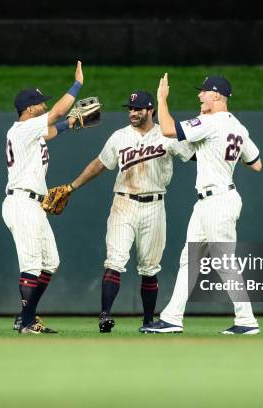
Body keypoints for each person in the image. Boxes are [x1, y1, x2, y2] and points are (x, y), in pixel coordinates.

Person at [66, 90, 195, 333]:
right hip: (123, 203)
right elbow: (99, 164)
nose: (133, 113)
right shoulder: (119, 137)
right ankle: (105, 316)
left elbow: (196, 155)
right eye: (131, 109)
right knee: (114, 259)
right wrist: (72, 186)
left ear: (151, 111)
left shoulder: (167, 135)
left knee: (150, 266)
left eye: (138, 109)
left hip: (155, 204)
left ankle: (148, 321)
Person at [145, 74, 263, 335]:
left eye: (204, 92)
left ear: (217, 95)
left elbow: (167, 129)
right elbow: (256, 164)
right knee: (189, 260)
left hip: (218, 201)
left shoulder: (211, 122)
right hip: (211, 200)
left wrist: (161, 100)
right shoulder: (238, 127)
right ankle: (172, 318)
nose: (199, 95)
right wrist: (223, 156)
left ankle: (247, 320)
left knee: (224, 262)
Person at [3, 61, 84, 334]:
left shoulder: (32, 132)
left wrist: (69, 125)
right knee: (32, 265)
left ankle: (26, 316)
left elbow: (50, 131)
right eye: (39, 103)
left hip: (35, 204)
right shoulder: (22, 129)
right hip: (21, 203)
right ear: (29, 109)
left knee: (50, 263)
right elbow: (58, 110)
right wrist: (77, 85)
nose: (44, 105)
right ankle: (26, 323)